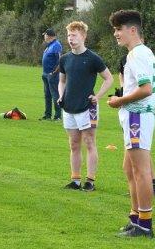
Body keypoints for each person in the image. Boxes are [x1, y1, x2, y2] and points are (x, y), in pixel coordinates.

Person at [106, 10, 155, 238]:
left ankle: (145, 224)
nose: (116, 34)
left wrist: (120, 100)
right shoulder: (143, 52)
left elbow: (146, 88)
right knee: (129, 168)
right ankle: (135, 216)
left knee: (140, 170)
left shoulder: (136, 54)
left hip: (138, 116)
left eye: (119, 29)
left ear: (132, 30)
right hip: (137, 116)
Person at [56, 21, 113, 191]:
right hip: (69, 107)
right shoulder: (65, 58)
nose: (70, 39)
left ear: (83, 36)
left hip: (87, 107)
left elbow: (109, 78)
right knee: (74, 144)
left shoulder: (93, 58)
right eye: (69, 35)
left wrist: (98, 96)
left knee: (89, 142)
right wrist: (61, 95)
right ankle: (75, 180)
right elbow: (62, 81)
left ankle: (90, 181)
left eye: (74, 35)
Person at [40, 28, 63, 120]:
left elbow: (60, 60)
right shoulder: (49, 45)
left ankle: (57, 116)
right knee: (47, 95)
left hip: (52, 74)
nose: (44, 37)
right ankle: (47, 115)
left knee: (55, 95)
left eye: (45, 35)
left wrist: (54, 72)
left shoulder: (56, 45)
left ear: (49, 36)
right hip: (45, 73)